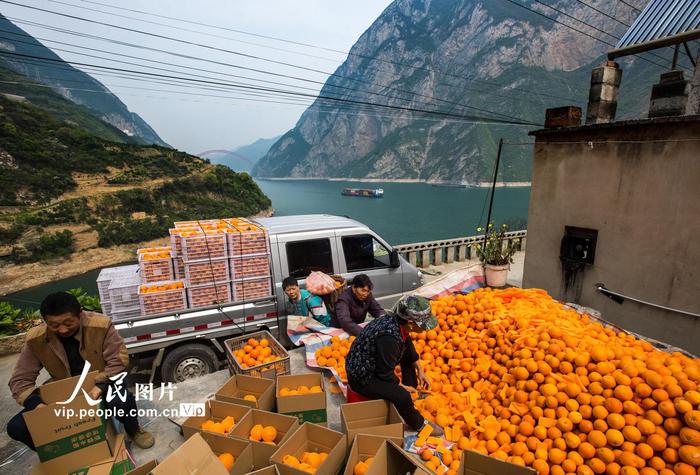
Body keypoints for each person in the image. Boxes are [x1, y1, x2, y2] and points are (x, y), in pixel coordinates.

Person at [7, 292, 155, 450]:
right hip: (66, 390)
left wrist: (100, 386)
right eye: (54, 325)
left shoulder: (100, 326)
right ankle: (58, 451)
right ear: (45, 321)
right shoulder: (36, 339)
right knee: (16, 427)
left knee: (121, 400)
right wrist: (36, 405)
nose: (63, 330)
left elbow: (118, 360)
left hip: (102, 382)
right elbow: (19, 380)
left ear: (80, 313)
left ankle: (134, 430)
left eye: (68, 323)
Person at [345, 294, 443, 435]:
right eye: (423, 325)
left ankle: (413, 394)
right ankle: (419, 424)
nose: (426, 329)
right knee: (401, 396)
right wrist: (401, 387)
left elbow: (408, 346)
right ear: (410, 323)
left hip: (372, 365)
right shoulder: (389, 338)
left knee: (407, 358)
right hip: (362, 377)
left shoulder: (397, 323)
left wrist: (420, 370)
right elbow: (385, 374)